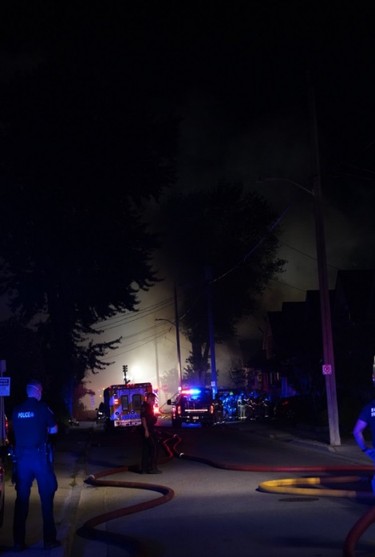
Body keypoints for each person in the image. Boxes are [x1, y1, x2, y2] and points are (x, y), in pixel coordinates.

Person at [11, 378, 61, 551]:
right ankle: (49, 540)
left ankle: (18, 542)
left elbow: (15, 432)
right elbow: (54, 429)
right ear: (38, 391)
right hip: (39, 459)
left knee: (21, 500)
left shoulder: (16, 410)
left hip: (21, 460)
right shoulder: (42, 408)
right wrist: (43, 429)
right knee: (46, 497)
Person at [140, 391, 161, 474]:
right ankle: (152, 468)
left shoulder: (148, 407)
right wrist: (146, 430)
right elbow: (144, 419)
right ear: (148, 399)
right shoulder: (146, 407)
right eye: (152, 400)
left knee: (146, 449)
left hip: (148, 429)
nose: (154, 401)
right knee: (154, 447)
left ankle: (144, 468)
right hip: (148, 430)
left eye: (154, 400)